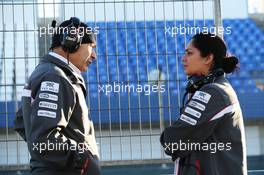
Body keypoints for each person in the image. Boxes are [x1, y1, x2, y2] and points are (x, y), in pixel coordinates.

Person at [14, 17, 100, 175]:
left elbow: (22, 123)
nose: (94, 55)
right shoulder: (56, 76)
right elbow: (44, 138)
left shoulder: (49, 72)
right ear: (71, 41)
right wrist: (83, 161)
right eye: (91, 47)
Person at [160, 33, 247, 175]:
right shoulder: (216, 89)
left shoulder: (213, 92)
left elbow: (172, 141)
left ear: (208, 58)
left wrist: (168, 137)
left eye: (189, 53)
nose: (183, 59)